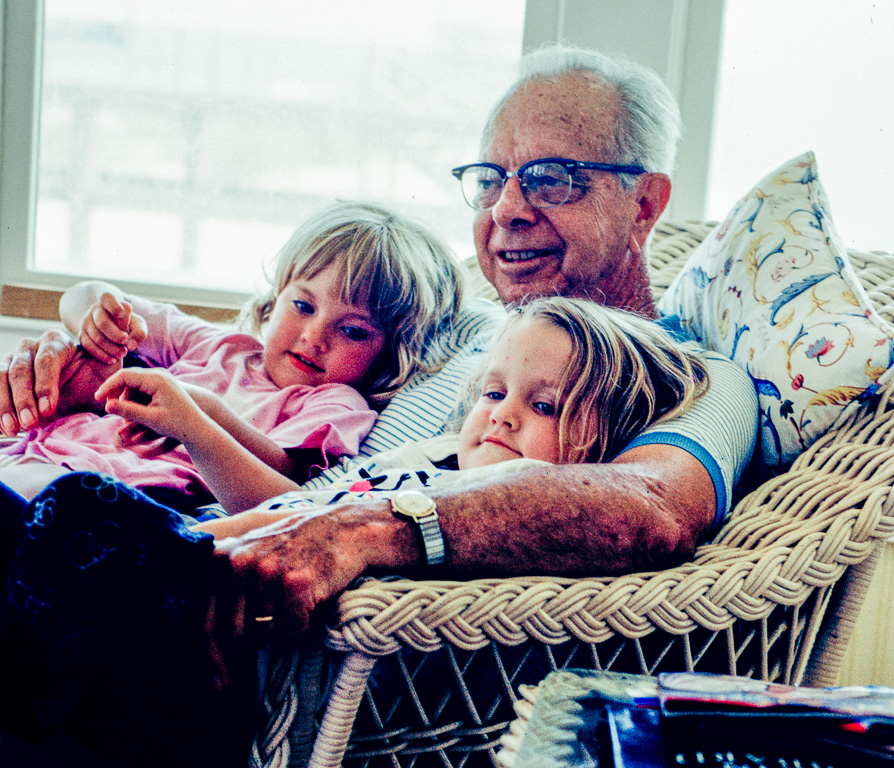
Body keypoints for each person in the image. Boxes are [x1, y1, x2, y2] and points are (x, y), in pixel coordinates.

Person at [0, 45, 759, 766]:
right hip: (234, 543)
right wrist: (81, 364)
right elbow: (277, 344)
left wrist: (370, 526)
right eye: (491, 178)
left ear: (645, 202)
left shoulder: (695, 372)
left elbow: (653, 507)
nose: (507, 211)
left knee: (75, 517)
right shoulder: (470, 325)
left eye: (554, 179)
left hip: (327, 645)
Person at [0, 201, 466, 513]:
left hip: (106, 499)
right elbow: (86, 295)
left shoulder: (337, 404)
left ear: (389, 351)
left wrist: (197, 419)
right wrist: (97, 317)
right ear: (276, 296)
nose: (313, 336)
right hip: (41, 452)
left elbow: (283, 485)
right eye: (303, 306)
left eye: (353, 330)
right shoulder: (222, 345)